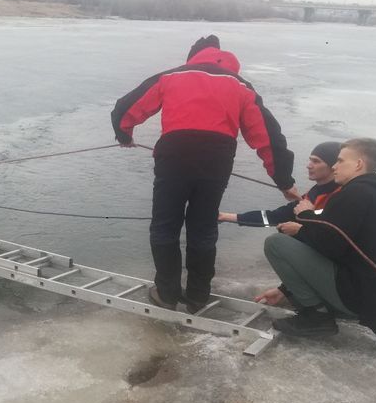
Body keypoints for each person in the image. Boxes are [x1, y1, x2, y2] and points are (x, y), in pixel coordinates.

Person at [111, 34, 298, 313]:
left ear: (193, 56)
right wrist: (284, 181)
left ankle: (167, 293)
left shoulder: (172, 76)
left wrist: (124, 134)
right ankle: (198, 295)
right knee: (203, 226)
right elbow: (269, 137)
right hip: (217, 159)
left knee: (165, 224)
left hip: (174, 155)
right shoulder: (240, 86)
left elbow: (124, 108)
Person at [261, 138, 376, 350]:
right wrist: (286, 290)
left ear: (358, 164)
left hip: (361, 295)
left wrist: (305, 217)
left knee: (276, 243)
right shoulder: (375, 193)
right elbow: (343, 245)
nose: (334, 166)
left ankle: (317, 317)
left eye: (339, 160)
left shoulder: (353, 193)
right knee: (304, 254)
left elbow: (328, 246)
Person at [219, 141, 342, 227]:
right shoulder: (315, 192)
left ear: (333, 166)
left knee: (279, 240)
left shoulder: (341, 195)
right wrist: (225, 217)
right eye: (310, 160)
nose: (308, 165)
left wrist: (300, 228)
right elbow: (275, 217)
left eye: (316, 161)